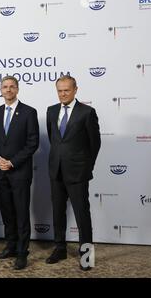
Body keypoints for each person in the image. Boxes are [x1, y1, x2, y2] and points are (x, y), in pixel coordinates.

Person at [45, 75, 101, 271]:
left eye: (66, 90)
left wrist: (86, 167)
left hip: (78, 173)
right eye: (59, 90)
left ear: (76, 90)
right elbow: (55, 141)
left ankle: (87, 256)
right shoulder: (51, 111)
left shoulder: (87, 112)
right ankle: (59, 248)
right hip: (56, 171)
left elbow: (95, 144)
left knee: (82, 215)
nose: (63, 94)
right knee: (58, 212)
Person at [0, 76, 39, 270]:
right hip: (0, 172)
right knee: (7, 212)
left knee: (21, 213)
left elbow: (32, 143)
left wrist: (12, 162)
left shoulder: (29, 112)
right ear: (0, 90)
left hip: (19, 172)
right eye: (5, 87)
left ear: (17, 89)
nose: (8, 90)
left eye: (12, 87)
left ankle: (22, 252)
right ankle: (10, 246)